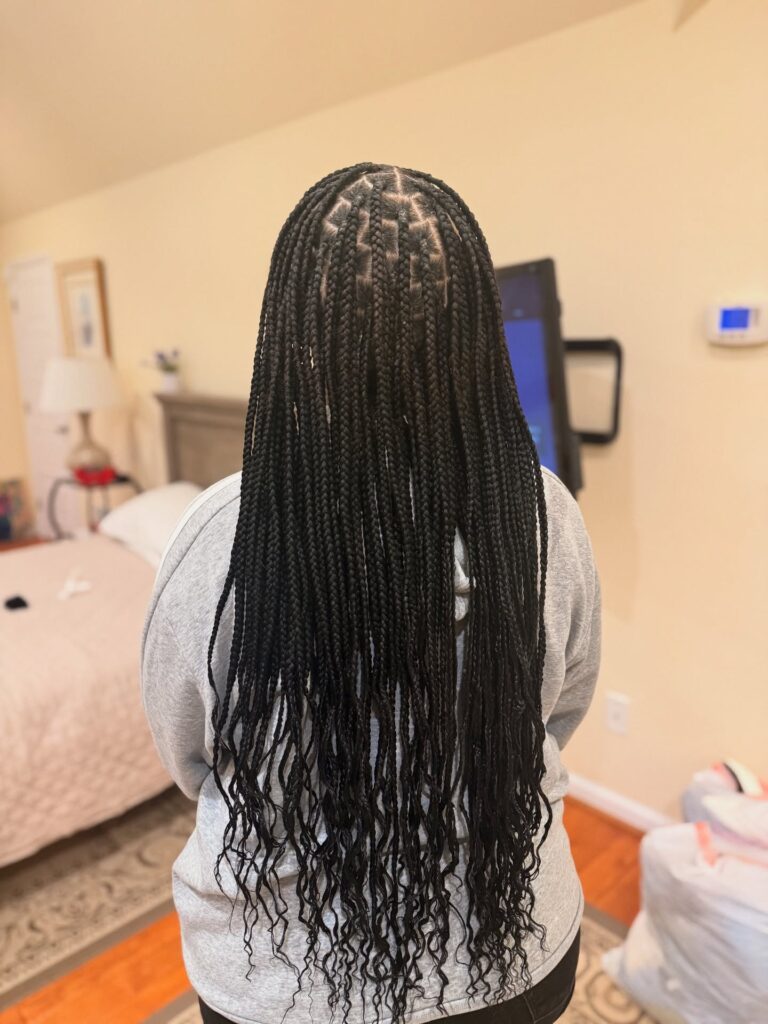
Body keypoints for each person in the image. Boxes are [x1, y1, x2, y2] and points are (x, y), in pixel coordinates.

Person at [141, 162, 601, 1024]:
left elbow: (190, 756)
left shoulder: (223, 534)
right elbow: (562, 705)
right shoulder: (542, 511)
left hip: (283, 980)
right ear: (477, 328)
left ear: (294, 331)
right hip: (517, 951)